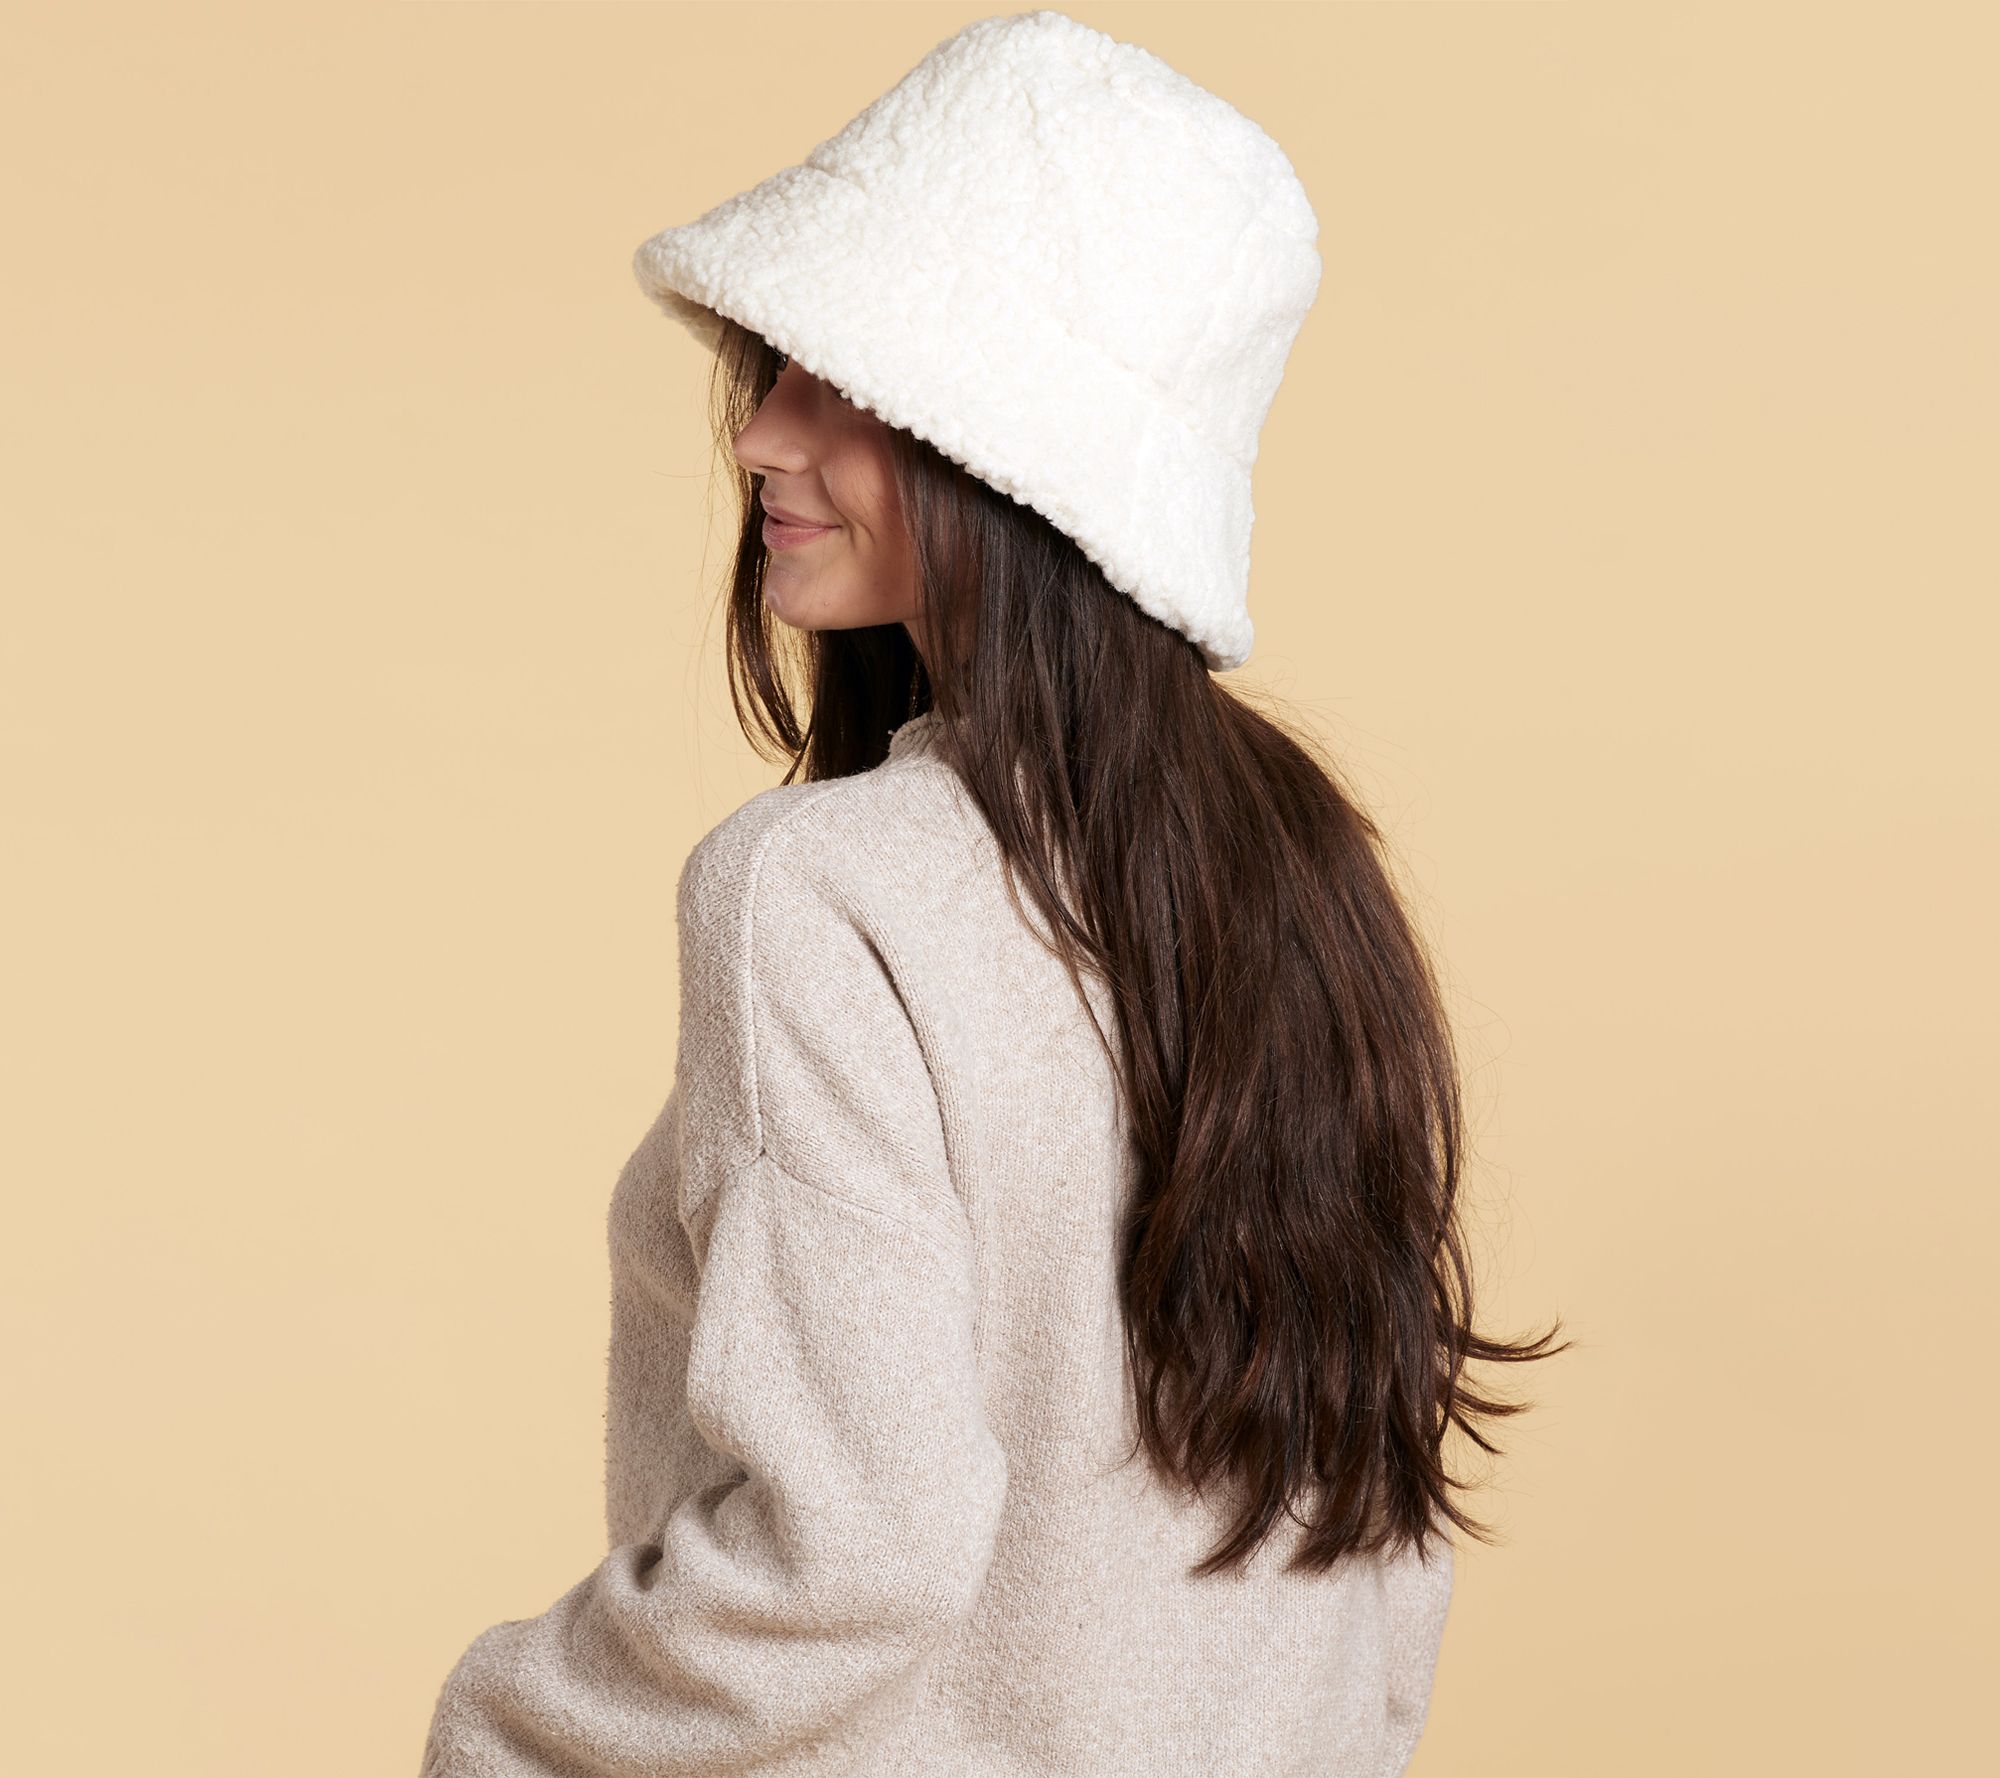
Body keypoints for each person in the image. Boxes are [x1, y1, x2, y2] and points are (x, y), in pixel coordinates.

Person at [418, 11, 1566, 1776]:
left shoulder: (817, 893)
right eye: (775, 371)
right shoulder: (1306, 878)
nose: (761, 438)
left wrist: (499, 1729)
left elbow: (852, 1548)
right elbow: (1379, 1541)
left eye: (839, 383)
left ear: (1005, 446)